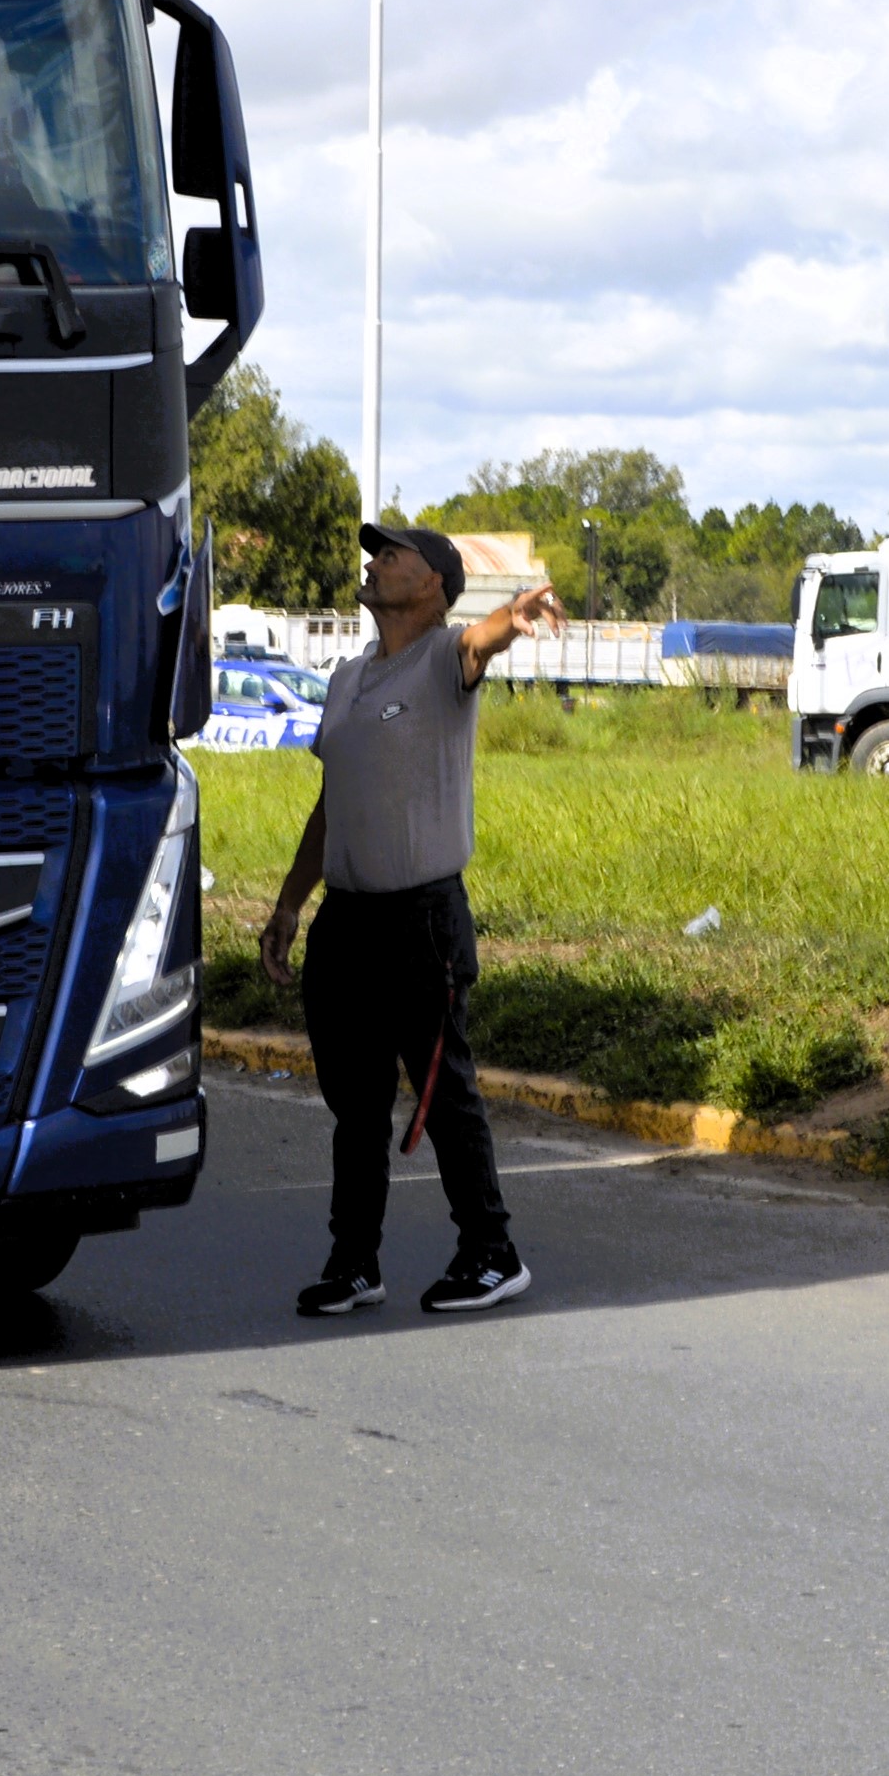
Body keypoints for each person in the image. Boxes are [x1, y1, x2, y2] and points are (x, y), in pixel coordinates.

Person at [260, 524, 565, 1316]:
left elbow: (480, 643)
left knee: (445, 1091)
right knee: (356, 1106)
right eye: (376, 553)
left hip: (421, 921)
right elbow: (331, 803)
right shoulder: (348, 677)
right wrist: (290, 904)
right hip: (346, 921)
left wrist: (513, 620)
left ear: (434, 584)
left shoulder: (441, 658)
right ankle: (354, 1263)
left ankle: (492, 1252)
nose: (375, 562)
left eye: (392, 554)